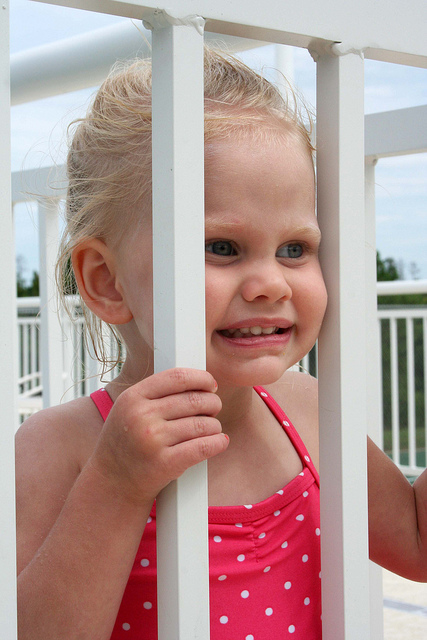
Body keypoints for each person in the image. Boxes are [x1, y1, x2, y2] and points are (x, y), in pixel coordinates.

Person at [15, 48, 427, 640]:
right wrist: (116, 482)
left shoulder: (308, 409)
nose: (271, 284)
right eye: (223, 248)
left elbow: (414, 542)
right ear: (107, 281)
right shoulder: (61, 447)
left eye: (294, 248)